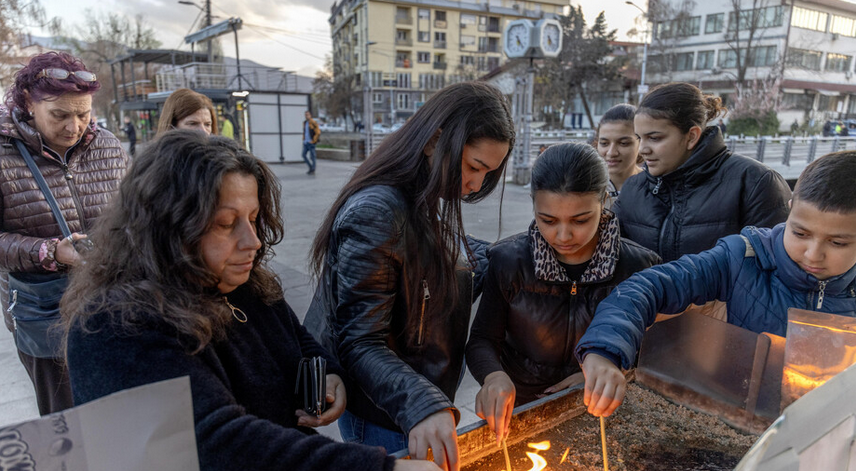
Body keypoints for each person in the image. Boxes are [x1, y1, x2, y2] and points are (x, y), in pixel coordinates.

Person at [62, 131, 440, 471]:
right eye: (227, 224)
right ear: (167, 227)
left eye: (254, 218)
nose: (253, 241)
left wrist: (328, 373)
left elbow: (297, 338)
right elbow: (219, 443)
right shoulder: (114, 327)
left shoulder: (242, 285)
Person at [304, 81, 514, 471]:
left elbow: (444, 259)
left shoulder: (417, 198)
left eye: (488, 173)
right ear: (434, 140)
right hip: (389, 412)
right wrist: (422, 403)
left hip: (408, 403)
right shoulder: (377, 211)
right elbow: (359, 340)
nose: (475, 185)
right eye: (473, 167)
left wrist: (527, 249)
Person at [575, 150, 856, 418]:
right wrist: (604, 350)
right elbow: (647, 288)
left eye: (838, 242)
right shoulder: (742, 258)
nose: (813, 254)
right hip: (729, 420)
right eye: (801, 233)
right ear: (791, 209)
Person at [465, 143, 660, 445]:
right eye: (548, 220)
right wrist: (493, 376)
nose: (564, 236)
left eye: (581, 220)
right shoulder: (509, 261)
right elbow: (482, 339)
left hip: (598, 411)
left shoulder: (639, 266)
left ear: (604, 200)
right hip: (521, 408)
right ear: (533, 205)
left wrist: (606, 370)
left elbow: (652, 349)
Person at [0, 51, 129, 414]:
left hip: (111, 304)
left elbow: (135, 212)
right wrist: (50, 252)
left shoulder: (107, 145)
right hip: (46, 315)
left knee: (122, 413)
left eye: (83, 114)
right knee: (68, 420)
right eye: (60, 115)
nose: (74, 127)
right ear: (29, 102)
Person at [613, 82, 791, 262]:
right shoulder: (633, 188)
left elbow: (774, 267)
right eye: (639, 138)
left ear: (691, 136)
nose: (642, 150)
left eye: (654, 138)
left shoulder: (756, 183)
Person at [595, 104, 643, 199]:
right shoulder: (584, 187)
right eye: (604, 143)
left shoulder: (657, 186)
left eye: (623, 143)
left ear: (641, 143)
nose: (611, 153)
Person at [303, 110, 321, 175]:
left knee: (313, 157)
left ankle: (313, 170)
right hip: (306, 142)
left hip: (311, 143)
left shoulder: (313, 122)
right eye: (305, 115)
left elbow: (318, 132)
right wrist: (304, 140)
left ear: (310, 115)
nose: (306, 116)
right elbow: (305, 132)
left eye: (307, 115)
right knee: (303, 155)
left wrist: (313, 141)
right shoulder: (305, 123)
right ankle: (311, 167)